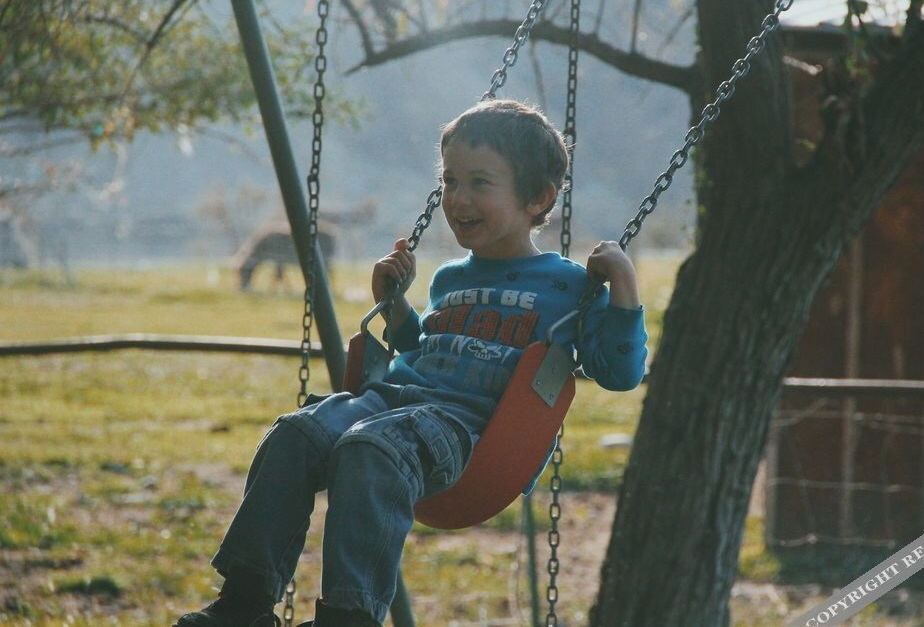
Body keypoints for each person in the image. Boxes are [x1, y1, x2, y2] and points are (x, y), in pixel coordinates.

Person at [174, 99, 648, 627]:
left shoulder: (570, 287)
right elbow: (424, 348)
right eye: (450, 181)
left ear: (538, 198)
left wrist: (624, 286)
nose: (458, 198)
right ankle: (244, 602)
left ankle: (349, 617)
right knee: (294, 434)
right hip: (393, 403)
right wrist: (395, 303)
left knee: (369, 448)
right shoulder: (449, 277)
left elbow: (620, 372)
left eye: (479, 183)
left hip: (467, 428)